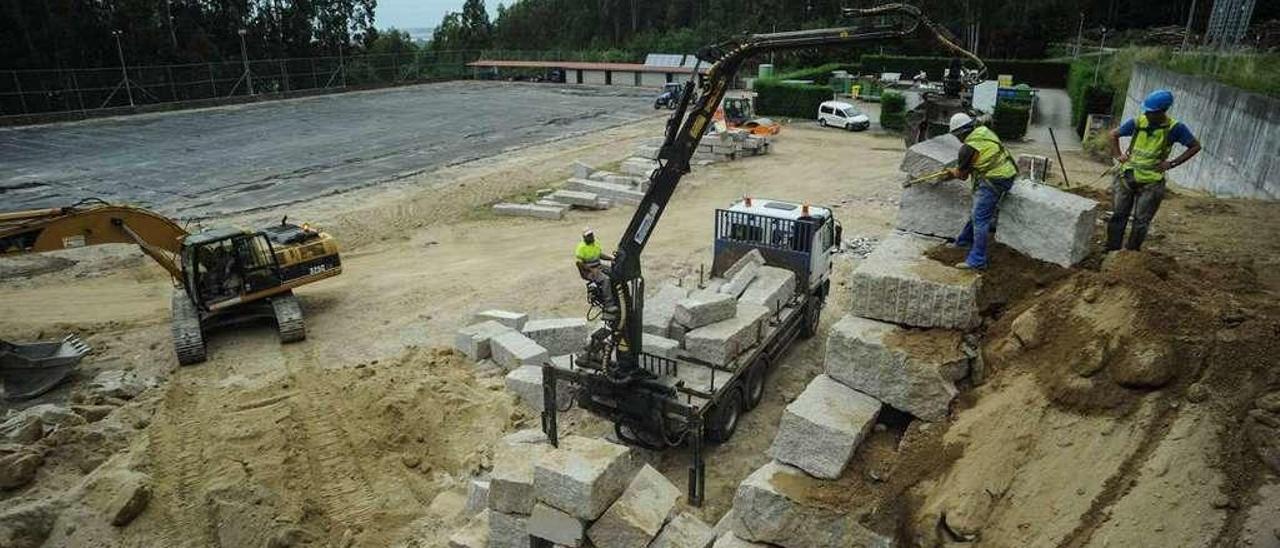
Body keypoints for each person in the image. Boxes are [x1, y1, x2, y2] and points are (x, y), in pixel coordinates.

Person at [1105, 89, 1201, 251]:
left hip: (1151, 182)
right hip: (1127, 177)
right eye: (1147, 111)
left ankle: (1130, 255)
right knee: (1118, 216)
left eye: (1151, 112)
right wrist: (1118, 155)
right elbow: (1113, 134)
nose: (1147, 114)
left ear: (1162, 111)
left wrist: (1172, 164)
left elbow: (1195, 146)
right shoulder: (1138, 122)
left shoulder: (1175, 128)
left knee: (1141, 221)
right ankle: (1111, 250)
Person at [944, 112, 1018, 270]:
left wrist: (951, 173)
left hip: (995, 180)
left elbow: (962, 175)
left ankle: (977, 259)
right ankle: (964, 241)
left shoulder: (967, 148)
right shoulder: (984, 132)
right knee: (978, 212)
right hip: (1008, 173)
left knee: (980, 219)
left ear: (959, 133)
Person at [575, 228, 617, 313]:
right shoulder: (581, 248)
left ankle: (616, 297)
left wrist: (611, 259)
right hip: (588, 271)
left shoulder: (596, 243)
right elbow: (579, 263)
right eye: (588, 236)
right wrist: (591, 270)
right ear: (584, 238)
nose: (590, 237)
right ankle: (609, 305)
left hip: (598, 266)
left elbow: (599, 255)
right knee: (605, 280)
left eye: (591, 235)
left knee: (615, 273)